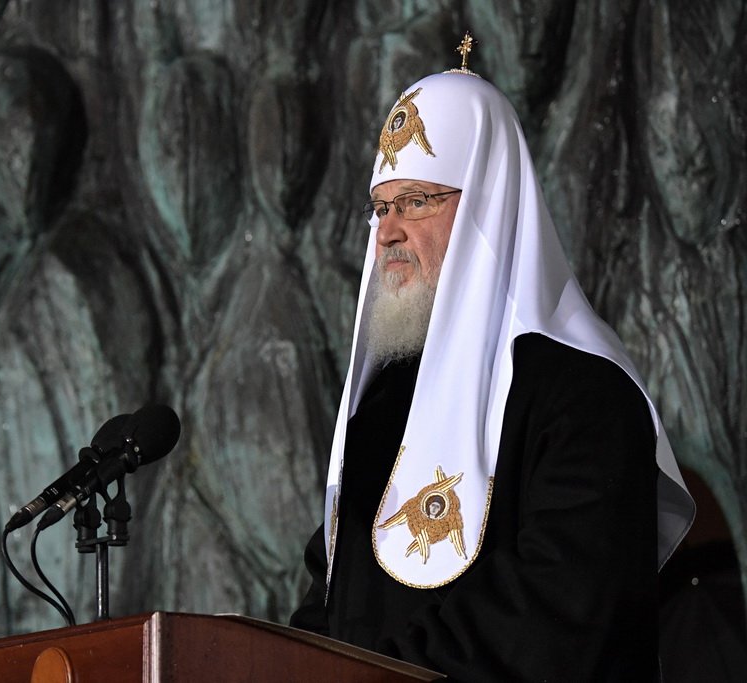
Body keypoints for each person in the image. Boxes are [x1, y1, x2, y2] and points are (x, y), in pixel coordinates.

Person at [290, 36, 696, 682]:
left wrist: (371, 677)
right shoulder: (382, 403)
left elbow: (555, 620)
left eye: (416, 201)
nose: (387, 231)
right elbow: (332, 598)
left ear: (488, 205)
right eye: (381, 207)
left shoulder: (586, 394)